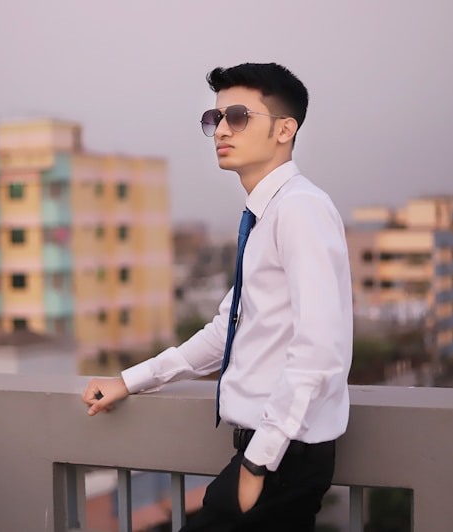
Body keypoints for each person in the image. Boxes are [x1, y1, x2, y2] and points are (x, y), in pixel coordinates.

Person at [82, 62, 353, 532]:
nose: (221, 130)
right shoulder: (266, 214)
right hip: (269, 455)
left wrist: (258, 463)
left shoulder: (301, 210)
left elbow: (320, 349)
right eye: (216, 119)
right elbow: (225, 331)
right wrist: (131, 380)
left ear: (285, 130)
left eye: (239, 117)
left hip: (279, 459)